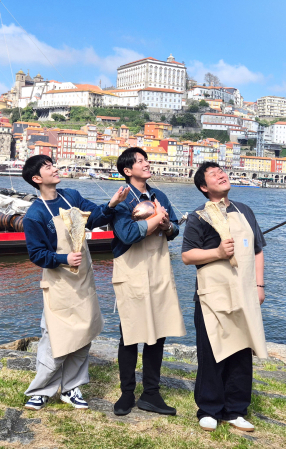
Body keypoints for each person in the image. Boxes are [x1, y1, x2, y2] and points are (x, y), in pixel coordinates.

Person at [21, 155, 130, 411]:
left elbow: (94, 218)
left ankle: (71, 388)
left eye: (53, 165)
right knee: (54, 338)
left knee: (83, 334)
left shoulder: (71, 196)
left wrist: (112, 204)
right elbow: (36, 254)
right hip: (58, 282)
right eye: (48, 167)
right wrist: (64, 258)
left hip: (83, 279)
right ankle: (40, 391)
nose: (55, 169)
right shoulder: (35, 215)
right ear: (36, 178)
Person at [181, 162, 268, 433]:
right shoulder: (199, 216)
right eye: (213, 174)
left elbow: (257, 250)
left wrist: (259, 285)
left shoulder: (244, 210)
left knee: (241, 351)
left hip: (244, 292)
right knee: (212, 352)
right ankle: (209, 409)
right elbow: (187, 255)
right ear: (203, 187)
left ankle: (236, 410)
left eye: (221, 171)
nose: (221, 175)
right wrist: (218, 253)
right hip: (212, 295)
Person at [110, 147, 186, 416]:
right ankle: (127, 393)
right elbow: (127, 235)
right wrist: (156, 220)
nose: (146, 164)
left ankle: (151, 393)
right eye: (140, 161)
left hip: (159, 268)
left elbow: (175, 229)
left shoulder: (159, 196)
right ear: (127, 170)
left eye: (146, 160)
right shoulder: (122, 199)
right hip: (131, 269)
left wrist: (167, 226)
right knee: (130, 334)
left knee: (159, 331)